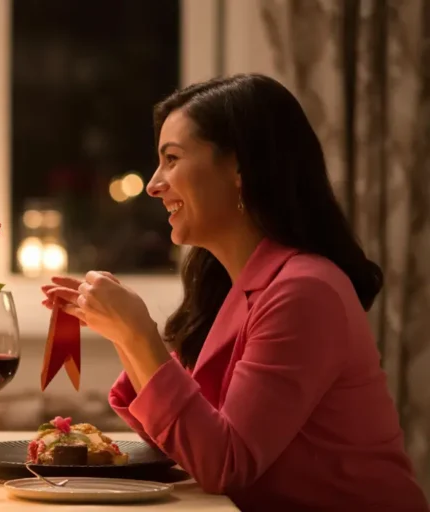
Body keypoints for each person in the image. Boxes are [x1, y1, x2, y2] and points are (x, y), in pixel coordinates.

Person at [42, 74, 428, 511]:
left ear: (241, 168)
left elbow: (225, 463)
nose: (153, 184)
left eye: (172, 159)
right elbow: (185, 442)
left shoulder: (305, 292)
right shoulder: (236, 286)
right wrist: (120, 332)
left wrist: (138, 334)